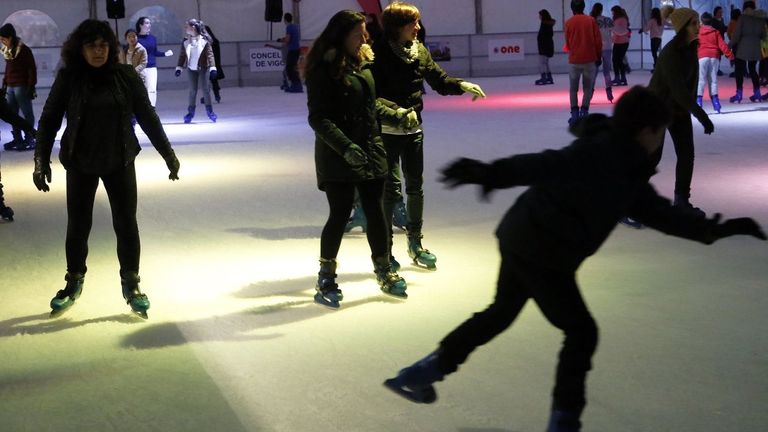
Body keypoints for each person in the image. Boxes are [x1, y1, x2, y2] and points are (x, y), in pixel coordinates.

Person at [382, 86, 767, 432]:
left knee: (501, 312)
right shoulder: (616, 163)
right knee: (581, 332)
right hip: (546, 252)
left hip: (520, 233)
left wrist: (718, 229)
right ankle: (564, 421)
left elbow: (556, 164)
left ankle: (423, 372)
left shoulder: (606, 147)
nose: (659, 141)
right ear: (647, 131)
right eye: (659, 132)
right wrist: (491, 173)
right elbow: (548, 165)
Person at [33, 19, 181, 319]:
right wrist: (41, 159)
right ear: (80, 49)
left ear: (110, 48)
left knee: (126, 224)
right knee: (78, 226)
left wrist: (168, 154)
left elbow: (148, 117)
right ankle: (73, 281)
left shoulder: (125, 76)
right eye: (91, 46)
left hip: (119, 160)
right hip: (80, 163)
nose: (98, 52)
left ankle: (132, 283)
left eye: (103, 46)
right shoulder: (69, 78)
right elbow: (49, 119)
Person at [305, 10, 416, 308]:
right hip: (337, 155)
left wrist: (395, 113)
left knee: (377, 212)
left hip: (370, 150)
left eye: (364, 32)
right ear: (341, 36)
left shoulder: (362, 63)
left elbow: (369, 105)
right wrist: (346, 148)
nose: (364, 38)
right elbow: (319, 118)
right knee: (340, 213)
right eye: (358, 34)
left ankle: (383, 270)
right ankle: (326, 276)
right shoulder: (323, 69)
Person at [372, 1, 486, 271]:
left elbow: (438, 80)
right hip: (387, 131)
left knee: (415, 187)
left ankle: (415, 242)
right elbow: (371, 95)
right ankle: (386, 249)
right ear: (398, 26)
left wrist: (461, 84)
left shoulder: (418, 50)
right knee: (391, 191)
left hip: (414, 130)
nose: (418, 28)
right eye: (414, 24)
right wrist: (396, 111)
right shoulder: (378, 53)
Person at [649, 7, 714, 212]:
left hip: (678, 110)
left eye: (698, 22)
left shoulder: (691, 48)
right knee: (651, 159)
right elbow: (678, 90)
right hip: (657, 110)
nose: (699, 26)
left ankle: (681, 200)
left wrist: (689, 110)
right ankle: (627, 202)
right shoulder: (670, 53)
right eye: (694, 23)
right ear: (683, 27)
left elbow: (690, 86)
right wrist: (702, 115)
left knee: (686, 154)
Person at [0, 23, 37, 151]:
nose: (2, 42)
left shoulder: (24, 50)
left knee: (27, 113)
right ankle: (18, 138)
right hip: (10, 86)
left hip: (21, 86)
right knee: (12, 114)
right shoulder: (8, 52)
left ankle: (29, 137)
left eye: (3, 39)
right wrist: (4, 83)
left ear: (10, 38)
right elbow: (8, 69)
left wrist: (31, 86)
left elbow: (31, 68)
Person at [564, 0, 602, 124]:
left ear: (572, 8)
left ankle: (574, 115)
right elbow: (598, 41)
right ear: (584, 7)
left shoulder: (568, 22)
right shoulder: (591, 21)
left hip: (574, 60)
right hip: (590, 59)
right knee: (587, 88)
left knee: (573, 89)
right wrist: (598, 56)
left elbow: (568, 42)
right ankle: (584, 112)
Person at [175, 19, 218, 123]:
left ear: (193, 27)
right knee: (192, 91)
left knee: (205, 89)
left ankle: (210, 111)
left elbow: (210, 55)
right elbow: (182, 55)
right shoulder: (185, 41)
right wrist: (179, 67)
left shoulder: (204, 40)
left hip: (203, 68)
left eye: (187, 26)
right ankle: (190, 112)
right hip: (191, 68)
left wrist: (212, 67)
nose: (186, 28)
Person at [728, 2, 767, 103]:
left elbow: (736, 35)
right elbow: (763, 35)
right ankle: (757, 93)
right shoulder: (760, 19)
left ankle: (739, 94)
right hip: (755, 48)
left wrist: (730, 45)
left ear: (744, 8)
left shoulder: (742, 18)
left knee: (739, 70)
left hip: (743, 47)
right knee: (753, 70)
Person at [697, 12, 734, 113]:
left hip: (702, 57)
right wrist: (730, 56)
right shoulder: (715, 32)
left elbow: (694, 44)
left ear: (701, 21)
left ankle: (699, 102)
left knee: (701, 80)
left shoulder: (698, 32)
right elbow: (722, 45)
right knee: (713, 80)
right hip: (714, 57)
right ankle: (716, 102)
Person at [136, 17, 173, 107]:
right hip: (140, 68)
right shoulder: (136, 38)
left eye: (150, 23)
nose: (149, 25)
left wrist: (165, 54)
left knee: (152, 89)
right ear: (141, 25)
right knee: (141, 90)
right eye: (147, 23)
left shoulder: (152, 38)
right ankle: (140, 111)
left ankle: (152, 108)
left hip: (152, 67)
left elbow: (154, 52)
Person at [590, 3, 613, 102]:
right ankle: (609, 92)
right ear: (602, 9)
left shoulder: (591, 20)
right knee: (607, 72)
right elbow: (614, 31)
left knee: (593, 73)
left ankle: (589, 94)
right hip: (608, 47)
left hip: (596, 49)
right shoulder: (608, 20)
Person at [202, 25, 224, 103]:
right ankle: (216, 95)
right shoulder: (214, 41)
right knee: (213, 81)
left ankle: (208, 97)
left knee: (207, 81)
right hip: (213, 64)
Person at [282, 13, 303, 93]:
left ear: (285, 20)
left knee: (289, 68)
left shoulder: (289, 27)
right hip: (297, 49)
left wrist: (284, 42)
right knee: (293, 67)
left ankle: (296, 86)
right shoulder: (295, 27)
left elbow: (288, 40)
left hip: (293, 50)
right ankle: (297, 85)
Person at [535, 9, 556, 86]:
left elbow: (543, 36)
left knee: (542, 63)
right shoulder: (548, 24)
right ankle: (549, 77)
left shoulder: (544, 24)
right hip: (548, 46)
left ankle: (544, 77)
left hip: (544, 46)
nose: (539, 17)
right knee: (546, 63)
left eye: (540, 15)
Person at [610, 6, 630, 86]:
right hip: (624, 42)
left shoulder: (618, 20)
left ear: (616, 12)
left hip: (619, 42)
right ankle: (623, 78)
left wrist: (611, 29)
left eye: (613, 12)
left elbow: (618, 31)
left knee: (616, 60)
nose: (612, 14)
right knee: (620, 60)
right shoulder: (624, 19)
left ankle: (618, 78)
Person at [641, 7, 663, 72]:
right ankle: (657, 66)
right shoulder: (662, 20)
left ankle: (657, 67)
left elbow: (647, 28)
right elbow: (669, 24)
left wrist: (642, 30)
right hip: (659, 39)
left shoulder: (652, 20)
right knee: (655, 53)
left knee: (654, 53)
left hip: (653, 38)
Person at [712, 6, 729, 76]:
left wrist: (727, 28)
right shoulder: (712, 21)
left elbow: (722, 28)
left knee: (719, 56)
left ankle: (717, 68)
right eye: (720, 12)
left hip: (720, 40)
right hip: (714, 41)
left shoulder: (721, 19)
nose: (721, 13)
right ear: (716, 13)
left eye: (721, 12)